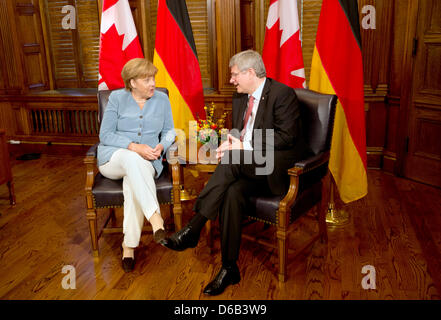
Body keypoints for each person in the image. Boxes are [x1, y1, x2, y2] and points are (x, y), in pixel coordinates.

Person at [163, 50, 310, 295]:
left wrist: (242, 146)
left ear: (250, 73)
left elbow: (287, 137)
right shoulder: (241, 96)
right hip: (250, 166)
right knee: (231, 192)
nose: (231, 81)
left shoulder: (282, 94)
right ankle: (229, 268)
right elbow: (241, 130)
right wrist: (230, 139)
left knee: (232, 160)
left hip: (277, 168)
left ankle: (194, 228)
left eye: (234, 75)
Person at [97, 58, 176, 272]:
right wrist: (133, 146)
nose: (153, 83)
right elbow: (105, 135)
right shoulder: (116, 98)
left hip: (149, 159)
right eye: (147, 79)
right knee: (132, 158)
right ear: (132, 82)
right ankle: (155, 218)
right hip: (114, 158)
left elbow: (170, 130)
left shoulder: (161, 99)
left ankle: (128, 246)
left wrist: (161, 145)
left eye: (153, 78)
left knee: (133, 183)